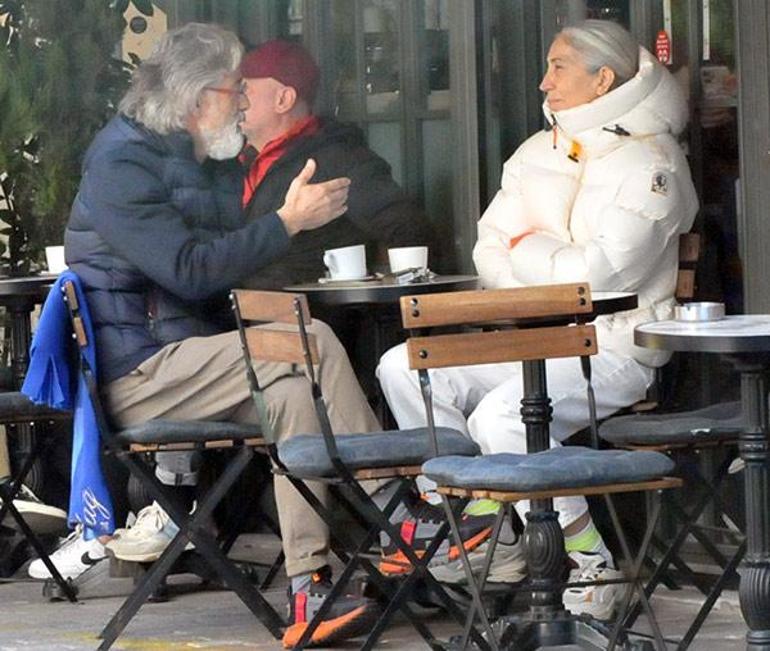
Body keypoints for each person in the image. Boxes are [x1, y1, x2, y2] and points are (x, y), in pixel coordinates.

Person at [27, 23, 382, 648]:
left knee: (294, 387)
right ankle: (401, 514)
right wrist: (286, 223)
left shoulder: (200, 162)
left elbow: (229, 264)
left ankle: (308, 587)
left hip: (191, 361)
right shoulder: (120, 165)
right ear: (196, 97)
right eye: (235, 89)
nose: (244, 102)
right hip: (136, 374)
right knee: (313, 339)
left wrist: (291, 234)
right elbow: (191, 272)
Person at [378, 19, 698, 618]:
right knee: (406, 368)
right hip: (531, 340)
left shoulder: (653, 161)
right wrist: (546, 264)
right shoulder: (535, 152)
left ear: (602, 78)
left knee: (505, 416)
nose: (543, 81)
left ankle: (591, 564)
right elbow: (486, 251)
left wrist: (528, 251)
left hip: (615, 349)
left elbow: (604, 275)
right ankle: (485, 536)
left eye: (558, 67)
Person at [238, 39, 432, 289]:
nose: (236, 102)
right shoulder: (236, 162)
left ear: (283, 99)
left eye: (244, 91)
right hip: (242, 316)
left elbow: (409, 231)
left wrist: (383, 305)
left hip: (309, 320)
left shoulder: (339, 160)